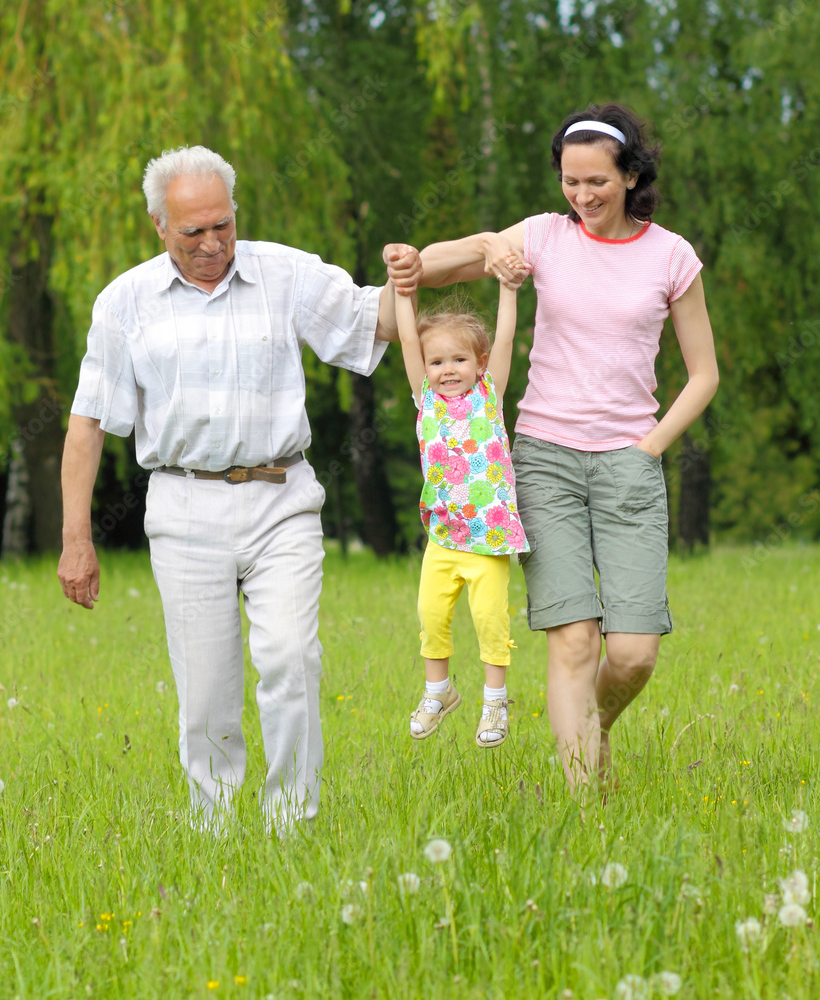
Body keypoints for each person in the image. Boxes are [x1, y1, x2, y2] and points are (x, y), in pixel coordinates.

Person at [57, 144, 416, 831]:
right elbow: (88, 424)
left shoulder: (284, 273)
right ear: (160, 226)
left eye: (222, 224)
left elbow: (376, 321)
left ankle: (291, 824)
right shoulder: (125, 303)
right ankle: (214, 829)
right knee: (207, 690)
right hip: (184, 504)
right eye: (193, 231)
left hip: (283, 498)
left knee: (290, 658)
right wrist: (77, 540)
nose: (213, 243)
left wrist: (424, 274)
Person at [411, 103, 720, 789]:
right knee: (575, 641)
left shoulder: (671, 256)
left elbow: (704, 374)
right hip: (544, 459)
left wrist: (648, 448)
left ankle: (594, 723)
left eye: (597, 182)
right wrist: (481, 248)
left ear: (632, 175)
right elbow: (427, 268)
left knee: (635, 652)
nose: (582, 197)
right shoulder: (544, 237)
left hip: (628, 463)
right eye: (569, 182)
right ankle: (588, 809)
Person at [392, 250, 530, 748]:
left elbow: (508, 336)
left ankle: (495, 704)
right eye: (437, 361)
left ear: (480, 363)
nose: (447, 369)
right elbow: (408, 338)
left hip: (489, 538)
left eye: (458, 359)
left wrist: (509, 290)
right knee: (431, 613)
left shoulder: (488, 396)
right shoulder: (425, 399)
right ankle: (438, 692)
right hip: (444, 536)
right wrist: (402, 292)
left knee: (491, 620)